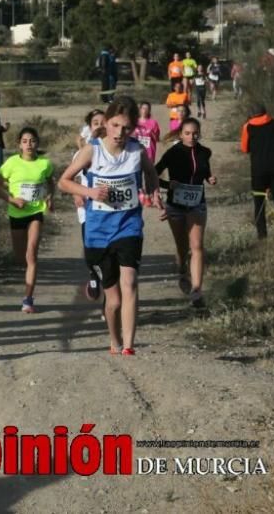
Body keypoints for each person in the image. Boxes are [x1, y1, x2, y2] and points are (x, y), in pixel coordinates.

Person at [59, 96, 163, 356]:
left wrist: (155, 191)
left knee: (130, 282)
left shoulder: (137, 151)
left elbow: (150, 173)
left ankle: (129, 345)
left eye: (126, 128)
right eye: (115, 125)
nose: (119, 133)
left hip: (129, 227)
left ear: (133, 128)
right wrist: (89, 192)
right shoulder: (92, 150)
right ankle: (115, 340)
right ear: (105, 123)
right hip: (98, 232)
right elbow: (64, 181)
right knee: (113, 299)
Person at [155, 117, 217, 308]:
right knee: (182, 247)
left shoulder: (205, 152)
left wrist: (209, 178)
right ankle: (182, 269)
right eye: (188, 133)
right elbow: (153, 174)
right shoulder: (173, 153)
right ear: (180, 134)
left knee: (197, 245)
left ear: (199, 133)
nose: (192, 137)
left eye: (195, 133)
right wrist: (167, 184)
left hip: (197, 204)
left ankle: (197, 291)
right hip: (176, 205)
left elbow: (204, 170)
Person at [0, 127, 55, 313]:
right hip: (16, 214)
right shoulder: (11, 163)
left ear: (38, 143)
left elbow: (50, 182)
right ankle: (28, 277)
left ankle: (28, 300)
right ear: (19, 144)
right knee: (20, 257)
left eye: (33, 141)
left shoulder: (45, 163)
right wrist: (12, 199)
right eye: (25, 141)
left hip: (36, 212)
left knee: (31, 255)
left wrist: (50, 197)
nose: (29, 144)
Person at [241, 103, 274, 239]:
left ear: (251, 114)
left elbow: (244, 149)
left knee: (259, 204)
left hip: (258, 170)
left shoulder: (248, 127)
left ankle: (262, 237)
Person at [73, 109, 107, 300]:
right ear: (90, 127)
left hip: (109, 208)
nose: (100, 126)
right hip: (87, 209)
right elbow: (71, 178)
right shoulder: (81, 153)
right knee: (90, 247)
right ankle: (93, 275)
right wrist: (76, 194)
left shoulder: (116, 151)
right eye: (96, 123)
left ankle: (108, 281)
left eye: (104, 122)